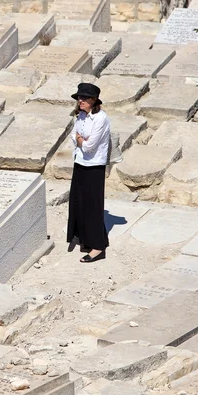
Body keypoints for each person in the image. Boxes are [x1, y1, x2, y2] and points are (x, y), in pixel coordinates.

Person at [66, 83, 110, 263]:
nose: (80, 101)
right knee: (78, 202)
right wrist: (80, 139)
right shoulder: (82, 115)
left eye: (84, 98)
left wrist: (80, 139)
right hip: (80, 162)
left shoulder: (101, 119)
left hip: (94, 166)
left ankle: (98, 247)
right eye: (79, 97)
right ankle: (84, 238)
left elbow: (90, 146)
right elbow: (73, 136)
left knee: (92, 206)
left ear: (93, 100)